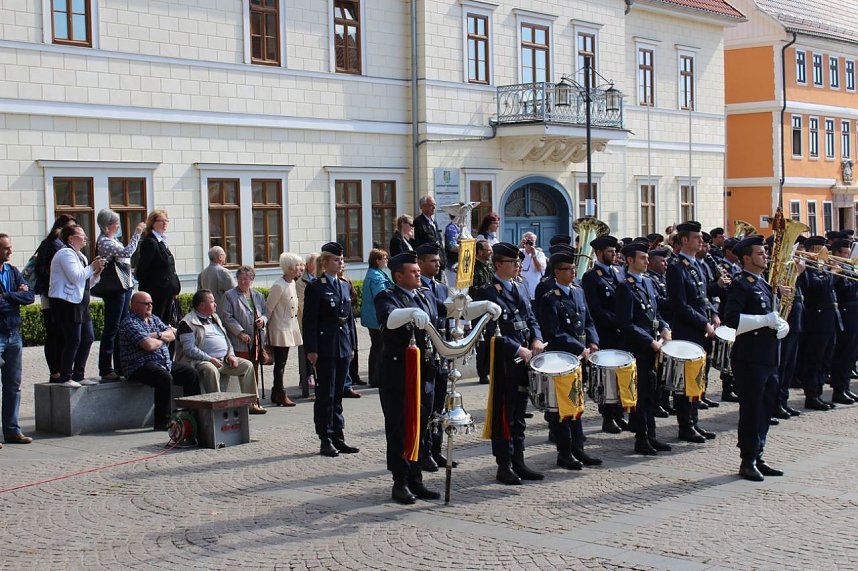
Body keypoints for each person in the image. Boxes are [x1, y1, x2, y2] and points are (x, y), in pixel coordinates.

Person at [472, 242, 546, 485]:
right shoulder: (487, 293)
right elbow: (489, 332)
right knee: (505, 414)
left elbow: (531, 317)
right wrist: (517, 348)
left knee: (520, 414)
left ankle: (519, 460)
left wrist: (536, 338)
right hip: (505, 362)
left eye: (518, 262)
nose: (517, 266)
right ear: (497, 265)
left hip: (526, 358)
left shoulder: (520, 285)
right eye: (512, 262)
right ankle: (504, 465)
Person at [373, 251, 443, 503]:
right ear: (399, 276)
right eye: (413, 272)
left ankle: (416, 479)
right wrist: (410, 313)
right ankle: (400, 481)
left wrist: (466, 306)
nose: (418, 275)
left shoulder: (425, 294)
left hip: (424, 371)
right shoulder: (387, 296)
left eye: (418, 271)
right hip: (398, 374)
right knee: (399, 428)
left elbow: (446, 311)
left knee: (421, 426)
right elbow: (389, 319)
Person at [723, 235, 789, 481]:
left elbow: (772, 315)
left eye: (764, 252)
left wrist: (780, 324)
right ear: (747, 258)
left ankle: (759, 453)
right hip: (750, 358)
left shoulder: (763, 283)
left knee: (765, 408)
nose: (766, 256)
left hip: (768, 356)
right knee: (752, 410)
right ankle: (747, 460)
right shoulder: (741, 284)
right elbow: (732, 319)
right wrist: (765, 320)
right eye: (760, 253)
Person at [534, 250, 602, 469]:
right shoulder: (550, 299)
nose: (573, 272)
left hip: (580, 357)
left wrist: (593, 341)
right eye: (567, 269)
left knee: (577, 403)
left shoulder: (578, 292)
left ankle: (578, 449)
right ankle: (564, 452)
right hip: (561, 359)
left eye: (573, 268)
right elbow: (553, 332)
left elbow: (589, 320)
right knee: (563, 407)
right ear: (556, 272)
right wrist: (579, 347)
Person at [302, 242, 359, 457]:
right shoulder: (316, 287)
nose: (340, 263)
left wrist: (352, 345)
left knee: (339, 394)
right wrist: (311, 349)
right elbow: (310, 321)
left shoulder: (344, 285)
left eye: (342, 259)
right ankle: (325, 437)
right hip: (325, 346)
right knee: (326, 393)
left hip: (343, 345)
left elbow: (349, 319)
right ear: (325, 263)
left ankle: (338, 434)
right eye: (336, 259)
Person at [615, 242, 673, 455]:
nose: (647, 261)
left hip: (653, 346)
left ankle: (652, 435)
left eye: (647, 258)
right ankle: (641, 437)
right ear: (630, 260)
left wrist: (665, 328)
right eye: (642, 258)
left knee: (652, 392)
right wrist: (650, 341)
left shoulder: (648, 282)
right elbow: (626, 323)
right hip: (638, 348)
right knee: (640, 394)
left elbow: (655, 313)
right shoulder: (625, 287)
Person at [665, 221, 718, 443]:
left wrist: (714, 314)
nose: (701, 241)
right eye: (696, 238)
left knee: (699, 378)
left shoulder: (698, 266)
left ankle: (694, 422)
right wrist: (704, 323)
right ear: (685, 240)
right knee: (686, 381)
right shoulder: (676, 267)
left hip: (701, 330)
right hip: (687, 332)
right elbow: (680, 305)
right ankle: (685, 425)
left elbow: (703, 298)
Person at [175, 289, 266, 414]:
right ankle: (218, 407)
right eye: (212, 302)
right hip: (200, 361)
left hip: (224, 360)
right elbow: (189, 349)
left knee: (247, 366)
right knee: (210, 370)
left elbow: (226, 339)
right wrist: (209, 359)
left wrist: (231, 355)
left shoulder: (215, 317)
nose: (215, 304)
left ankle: (251, 404)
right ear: (202, 305)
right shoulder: (187, 323)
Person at [119, 291, 200, 430]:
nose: (150, 306)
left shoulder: (153, 319)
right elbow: (148, 345)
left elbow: (173, 334)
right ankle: (163, 422)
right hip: (139, 366)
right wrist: (163, 339)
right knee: (164, 377)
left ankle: (192, 414)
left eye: (151, 303)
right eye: (146, 303)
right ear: (134, 305)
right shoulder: (129, 323)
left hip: (163, 363)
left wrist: (157, 335)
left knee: (191, 374)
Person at [48, 224, 106, 388]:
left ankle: (78, 375)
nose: (85, 238)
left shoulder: (80, 256)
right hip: (67, 303)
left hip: (80, 302)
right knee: (73, 340)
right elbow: (76, 277)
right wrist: (92, 267)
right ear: (71, 238)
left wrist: (97, 272)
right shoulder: (65, 253)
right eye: (82, 235)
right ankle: (65, 377)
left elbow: (86, 283)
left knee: (88, 338)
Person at [581, 235, 627, 433]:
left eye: (615, 251)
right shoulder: (591, 277)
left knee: (621, 375)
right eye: (610, 251)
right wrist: (618, 322)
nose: (614, 254)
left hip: (622, 333)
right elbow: (595, 309)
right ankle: (608, 417)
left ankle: (619, 413)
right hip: (606, 333)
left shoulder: (619, 272)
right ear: (599, 253)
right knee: (607, 377)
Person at [95, 209, 146, 381]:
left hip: (124, 285)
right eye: (116, 223)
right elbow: (127, 253)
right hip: (115, 288)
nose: (118, 226)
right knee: (112, 327)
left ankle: (120, 365)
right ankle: (105, 368)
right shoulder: (104, 241)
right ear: (108, 225)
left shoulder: (112, 240)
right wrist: (137, 234)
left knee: (121, 327)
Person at [416, 242, 453, 471]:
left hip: (442, 354)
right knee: (426, 407)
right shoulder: (417, 288)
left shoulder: (441, 288)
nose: (438, 264)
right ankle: (425, 451)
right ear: (420, 263)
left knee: (441, 405)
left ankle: (437, 449)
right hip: (426, 355)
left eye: (438, 261)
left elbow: (447, 321)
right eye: (433, 261)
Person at [0, 234, 36, 445]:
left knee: (13, 385)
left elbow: (30, 296)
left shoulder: (12, 271)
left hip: (13, 334)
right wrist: (16, 297)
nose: (10, 251)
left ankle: (12, 430)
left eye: (10, 247)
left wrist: (7, 296)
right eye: (6, 248)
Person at [33, 215, 77, 383]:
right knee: (53, 333)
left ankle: (64, 369)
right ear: (60, 228)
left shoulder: (68, 246)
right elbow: (40, 270)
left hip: (65, 296)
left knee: (64, 334)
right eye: (70, 228)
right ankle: (55, 372)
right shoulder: (49, 244)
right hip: (50, 295)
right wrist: (54, 282)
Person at [219, 265, 269, 407]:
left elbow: (266, 313)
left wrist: (262, 321)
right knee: (244, 369)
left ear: (252, 280)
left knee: (254, 368)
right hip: (240, 340)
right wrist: (240, 333)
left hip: (256, 339)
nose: (242, 282)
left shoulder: (258, 295)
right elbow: (227, 317)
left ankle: (254, 399)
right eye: (240, 279)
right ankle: (245, 400)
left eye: (246, 279)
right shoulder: (229, 295)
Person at [801, 235, 841, 410]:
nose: (825, 251)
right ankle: (812, 395)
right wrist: (833, 273)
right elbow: (820, 286)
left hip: (829, 319)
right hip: (817, 320)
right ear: (813, 250)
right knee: (815, 359)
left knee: (825, 359)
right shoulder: (809, 269)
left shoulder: (821, 267)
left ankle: (818, 392)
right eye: (821, 248)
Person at [265, 252, 304, 407]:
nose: (301, 268)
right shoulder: (278, 285)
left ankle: (276, 392)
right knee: (280, 363)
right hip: (279, 329)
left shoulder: (292, 283)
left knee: (282, 363)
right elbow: (269, 308)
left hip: (289, 327)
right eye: (298, 265)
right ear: (289, 268)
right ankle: (280, 392)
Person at [136, 210, 181, 326]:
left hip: (167, 292)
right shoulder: (150, 242)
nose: (165, 223)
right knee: (158, 323)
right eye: (161, 221)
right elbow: (142, 270)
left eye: (166, 221)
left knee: (167, 323)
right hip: (157, 293)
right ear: (153, 223)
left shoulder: (162, 240)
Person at [829, 239, 858, 405]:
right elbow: (844, 289)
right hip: (846, 315)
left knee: (851, 355)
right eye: (845, 254)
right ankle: (839, 390)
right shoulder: (834, 269)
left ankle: (845, 387)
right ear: (836, 253)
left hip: (854, 314)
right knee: (843, 354)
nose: (847, 257)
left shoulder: (849, 268)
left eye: (848, 253)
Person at [360, 248, 393, 388]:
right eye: (384, 258)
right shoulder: (376, 277)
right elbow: (381, 295)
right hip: (376, 317)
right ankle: (376, 378)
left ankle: (375, 377)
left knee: (377, 346)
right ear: (377, 261)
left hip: (373, 316)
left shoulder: (376, 273)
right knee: (379, 346)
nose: (386, 260)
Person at [338, 264, 364, 398]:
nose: (341, 266)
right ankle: (343, 385)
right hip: (336, 325)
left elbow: (354, 296)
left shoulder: (346, 281)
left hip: (348, 319)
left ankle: (348, 383)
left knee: (351, 351)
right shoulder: (322, 284)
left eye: (343, 263)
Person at [296, 252, 318, 398]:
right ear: (309, 264)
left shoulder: (320, 277)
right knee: (306, 350)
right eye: (315, 262)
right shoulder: (301, 282)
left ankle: (314, 376)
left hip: (318, 322)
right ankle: (305, 378)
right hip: (306, 321)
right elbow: (302, 304)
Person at [473, 239, 494, 385]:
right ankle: (482, 373)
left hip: (492, 309)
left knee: (492, 340)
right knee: (482, 343)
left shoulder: (490, 267)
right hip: (480, 309)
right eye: (488, 250)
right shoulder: (474, 268)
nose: (490, 252)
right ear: (480, 252)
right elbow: (473, 289)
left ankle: (490, 369)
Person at [412, 196, 446, 271]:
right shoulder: (418, 222)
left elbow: (438, 240)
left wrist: (443, 259)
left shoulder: (434, 222)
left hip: (439, 261)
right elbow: (417, 244)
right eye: (431, 205)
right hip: (428, 262)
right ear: (423, 207)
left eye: (434, 205)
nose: (434, 208)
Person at [519, 232, 546, 301]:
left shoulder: (540, 254)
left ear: (535, 243)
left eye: (532, 241)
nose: (530, 243)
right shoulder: (519, 252)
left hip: (534, 290)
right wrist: (520, 245)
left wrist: (534, 255)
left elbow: (540, 268)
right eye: (528, 240)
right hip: (521, 289)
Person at [444, 216, 461, 286]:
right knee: (454, 289)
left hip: (463, 265)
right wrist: (467, 248)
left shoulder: (461, 227)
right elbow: (452, 247)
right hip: (453, 266)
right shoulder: (451, 228)